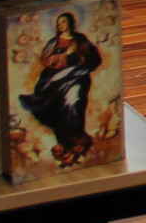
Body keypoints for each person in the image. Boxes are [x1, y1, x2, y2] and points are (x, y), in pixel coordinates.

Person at [20, 10, 102, 168]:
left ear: (71, 22)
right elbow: (47, 61)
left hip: (77, 78)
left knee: (73, 102)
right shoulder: (54, 42)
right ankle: (65, 143)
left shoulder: (80, 40)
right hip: (54, 81)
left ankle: (76, 139)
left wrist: (79, 59)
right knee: (58, 107)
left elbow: (94, 58)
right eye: (58, 23)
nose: (61, 25)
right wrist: (67, 55)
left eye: (63, 21)